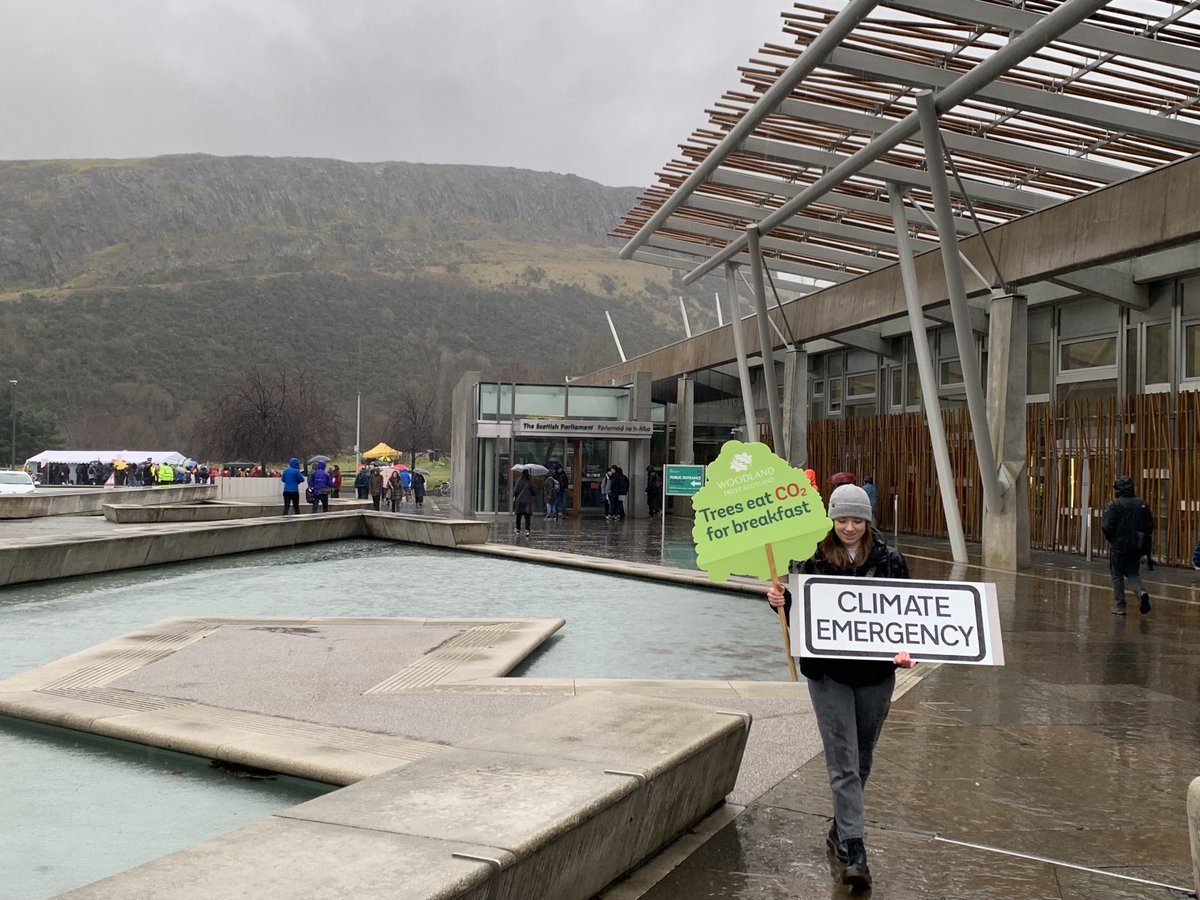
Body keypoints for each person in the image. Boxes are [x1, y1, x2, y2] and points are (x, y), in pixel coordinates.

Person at [766, 483, 915, 890]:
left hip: (874, 675)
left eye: (857, 519)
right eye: (843, 519)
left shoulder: (891, 560)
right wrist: (779, 602)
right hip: (828, 674)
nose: (850, 527)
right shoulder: (809, 558)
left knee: (862, 756)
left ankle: (839, 829)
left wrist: (907, 649)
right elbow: (799, 612)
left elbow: (908, 615)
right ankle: (855, 849)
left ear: (868, 520)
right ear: (831, 519)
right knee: (844, 761)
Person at [1101, 475, 1155, 615]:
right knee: (1132, 573)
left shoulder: (1113, 505)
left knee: (1117, 574)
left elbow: (1106, 526)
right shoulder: (1142, 504)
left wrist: (1112, 539)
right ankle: (1140, 592)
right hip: (1136, 546)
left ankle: (1120, 605)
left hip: (1119, 545)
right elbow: (1150, 525)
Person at [512, 469, 534, 535]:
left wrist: (514, 497)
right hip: (527, 501)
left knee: (518, 516)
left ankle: (518, 529)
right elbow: (534, 492)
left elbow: (515, 490)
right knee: (527, 517)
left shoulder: (519, 481)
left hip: (520, 501)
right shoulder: (529, 482)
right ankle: (527, 530)